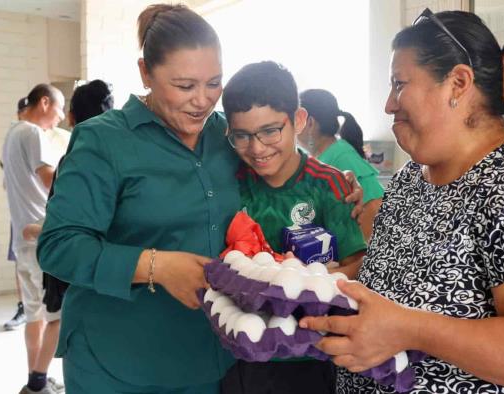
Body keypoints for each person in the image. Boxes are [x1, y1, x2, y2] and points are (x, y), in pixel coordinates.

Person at [36, 5, 362, 393]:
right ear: (145, 73)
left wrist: (330, 177)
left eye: (214, 83)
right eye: (185, 86)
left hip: (211, 357)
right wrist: (154, 265)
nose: (203, 101)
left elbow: (278, 159)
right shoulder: (103, 141)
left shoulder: (225, 136)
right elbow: (59, 246)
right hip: (117, 357)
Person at [300, 9, 504, 394]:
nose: (388, 105)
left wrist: (410, 329)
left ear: (458, 83)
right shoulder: (414, 176)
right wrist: (314, 284)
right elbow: (400, 271)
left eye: (399, 84)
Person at [219, 61, 367, 394]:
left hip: (308, 353)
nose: (257, 148)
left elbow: (358, 260)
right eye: (242, 135)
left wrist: (321, 278)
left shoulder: (329, 184)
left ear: (299, 120)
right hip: (240, 351)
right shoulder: (229, 183)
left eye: (271, 130)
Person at [23, 79, 115, 315]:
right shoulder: (126, 159)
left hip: (82, 283)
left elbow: (64, 230)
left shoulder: (73, 162)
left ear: (73, 117)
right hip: (119, 282)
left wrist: (36, 229)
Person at [2, 84, 66, 394]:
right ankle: (38, 383)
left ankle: (34, 377)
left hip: (22, 242)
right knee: (57, 317)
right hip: (40, 239)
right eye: (59, 108)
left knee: (34, 316)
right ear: (44, 102)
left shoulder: (12, 134)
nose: (61, 116)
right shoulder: (31, 133)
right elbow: (50, 178)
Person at [298, 89, 384, 241]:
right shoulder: (322, 157)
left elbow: (374, 209)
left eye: (295, 121)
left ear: (310, 122)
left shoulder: (343, 158)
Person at [3, 97, 31, 331]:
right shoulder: (16, 138)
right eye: (19, 111)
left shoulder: (43, 136)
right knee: (19, 261)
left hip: (38, 215)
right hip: (21, 216)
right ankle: (23, 306)